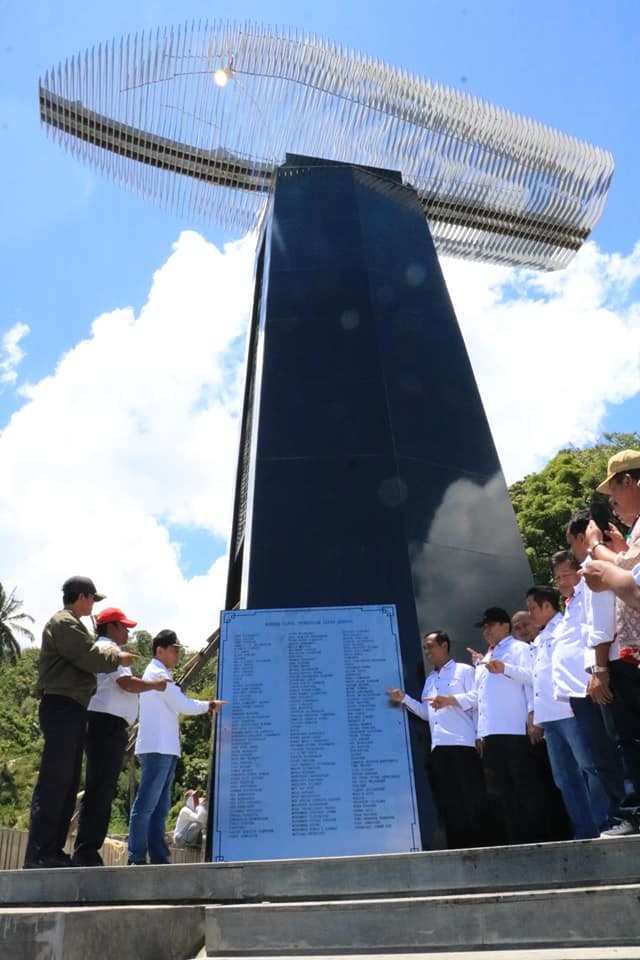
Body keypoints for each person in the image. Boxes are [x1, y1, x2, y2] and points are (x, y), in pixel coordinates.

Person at [24, 576, 134, 869]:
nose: (92, 606)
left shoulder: (73, 623)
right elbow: (87, 656)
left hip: (73, 708)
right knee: (54, 780)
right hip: (61, 705)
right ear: (82, 597)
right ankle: (39, 854)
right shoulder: (64, 622)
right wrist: (115, 656)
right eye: (91, 599)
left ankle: (53, 850)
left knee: (67, 782)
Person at [72, 607, 168, 867]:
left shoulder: (108, 651)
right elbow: (125, 684)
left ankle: (88, 849)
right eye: (123, 626)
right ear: (111, 627)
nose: (127, 631)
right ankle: (86, 851)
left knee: (102, 788)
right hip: (106, 724)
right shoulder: (109, 651)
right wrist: (154, 686)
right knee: (100, 789)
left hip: (108, 725)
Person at [128, 629, 225, 865]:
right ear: (159, 650)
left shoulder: (161, 674)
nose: (176, 655)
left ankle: (157, 855)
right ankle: (137, 856)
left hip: (164, 748)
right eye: (173, 650)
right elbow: (182, 704)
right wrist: (209, 705)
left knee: (159, 807)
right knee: (146, 805)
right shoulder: (158, 675)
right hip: (157, 748)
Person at [566, 510, 633, 837]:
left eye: (572, 544)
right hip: (616, 659)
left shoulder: (594, 568)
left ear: (582, 537)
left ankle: (630, 812)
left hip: (616, 662)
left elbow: (602, 623)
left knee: (623, 740)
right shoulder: (617, 560)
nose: (573, 551)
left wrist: (600, 668)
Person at [388, 630, 487, 849]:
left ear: (444, 646)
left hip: (463, 744)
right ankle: (458, 847)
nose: (427, 652)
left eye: (430, 646)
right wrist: (404, 699)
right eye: (425, 648)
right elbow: (426, 712)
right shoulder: (431, 679)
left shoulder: (464, 671)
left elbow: (479, 698)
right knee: (448, 801)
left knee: (470, 798)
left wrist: (452, 700)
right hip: (439, 748)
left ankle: (480, 844)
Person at [550, 550, 623, 835]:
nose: (561, 582)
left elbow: (597, 633)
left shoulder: (589, 592)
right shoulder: (571, 603)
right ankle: (613, 816)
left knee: (603, 757)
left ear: (578, 571)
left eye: (565, 575)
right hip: (576, 694)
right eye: (556, 578)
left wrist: (596, 672)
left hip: (592, 685)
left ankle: (617, 815)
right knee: (597, 757)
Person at [526, 585, 598, 839]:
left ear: (547, 606)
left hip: (569, 709)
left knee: (589, 767)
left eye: (533, 608)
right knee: (563, 777)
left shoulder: (565, 627)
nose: (530, 614)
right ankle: (584, 829)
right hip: (549, 716)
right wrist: (534, 713)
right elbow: (537, 676)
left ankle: (603, 823)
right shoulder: (539, 638)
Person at [472, 606, 538, 844]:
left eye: (490, 625)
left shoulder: (519, 648)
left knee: (524, 785)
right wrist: (479, 732)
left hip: (514, 728)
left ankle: (534, 837)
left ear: (504, 625)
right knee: (503, 790)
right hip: (492, 732)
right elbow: (480, 696)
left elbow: (532, 679)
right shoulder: (486, 657)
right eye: (484, 628)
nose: (486, 631)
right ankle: (516, 839)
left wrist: (533, 716)